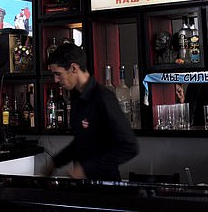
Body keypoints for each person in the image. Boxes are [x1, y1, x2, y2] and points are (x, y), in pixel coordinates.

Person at [42, 43, 139, 180]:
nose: (55, 80)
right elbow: (82, 142)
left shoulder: (103, 97)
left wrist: (86, 170)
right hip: (83, 186)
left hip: (105, 188)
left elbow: (129, 146)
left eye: (58, 74)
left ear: (73, 68)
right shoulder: (76, 97)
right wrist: (55, 162)